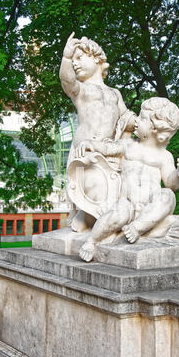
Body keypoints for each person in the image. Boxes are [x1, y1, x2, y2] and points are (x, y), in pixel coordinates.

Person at [74, 97, 179, 262]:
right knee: (116, 215)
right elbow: (109, 148)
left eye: (143, 119)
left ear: (156, 130)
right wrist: (91, 145)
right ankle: (91, 241)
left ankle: (137, 228)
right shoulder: (129, 145)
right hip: (127, 203)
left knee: (168, 196)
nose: (137, 120)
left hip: (150, 208)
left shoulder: (165, 156)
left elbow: (171, 184)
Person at [59, 33, 135, 232]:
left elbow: (127, 117)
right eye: (73, 61)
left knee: (114, 191)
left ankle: (96, 219)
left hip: (108, 151)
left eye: (78, 58)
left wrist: (147, 122)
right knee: (94, 193)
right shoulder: (81, 90)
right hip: (85, 152)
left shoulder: (114, 93)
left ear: (96, 58)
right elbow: (67, 82)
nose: (75, 64)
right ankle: (86, 216)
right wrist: (66, 58)